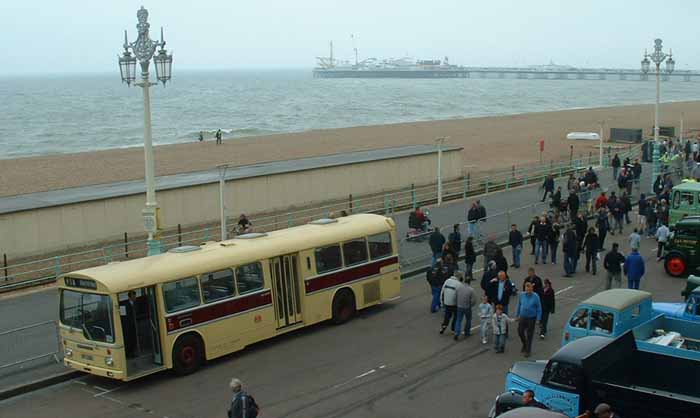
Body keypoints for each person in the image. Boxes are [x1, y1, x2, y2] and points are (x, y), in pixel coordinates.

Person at [515, 282, 542, 357]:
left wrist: (538, 319)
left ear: (532, 289)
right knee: (520, 331)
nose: (528, 290)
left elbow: (539, 308)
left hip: (531, 318)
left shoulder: (535, 296)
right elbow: (519, 305)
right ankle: (525, 343)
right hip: (523, 317)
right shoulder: (522, 295)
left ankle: (528, 351)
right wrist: (517, 315)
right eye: (527, 289)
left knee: (529, 334)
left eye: (529, 289)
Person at [454, 273, 476, 340]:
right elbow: (473, 300)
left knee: (458, 320)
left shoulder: (459, 287)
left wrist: (457, 303)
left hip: (459, 306)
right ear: (469, 282)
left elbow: (455, 296)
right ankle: (467, 332)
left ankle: (456, 333)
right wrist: (470, 305)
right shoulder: (471, 290)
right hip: (467, 307)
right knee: (468, 319)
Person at [121, 290, 139, 358]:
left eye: (135, 296)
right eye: (133, 296)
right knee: (128, 339)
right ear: (129, 297)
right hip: (127, 325)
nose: (134, 297)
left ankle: (133, 352)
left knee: (134, 339)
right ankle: (128, 353)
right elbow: (123, 316)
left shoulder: (135, 303)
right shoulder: (125, 305)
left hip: (133, 324)